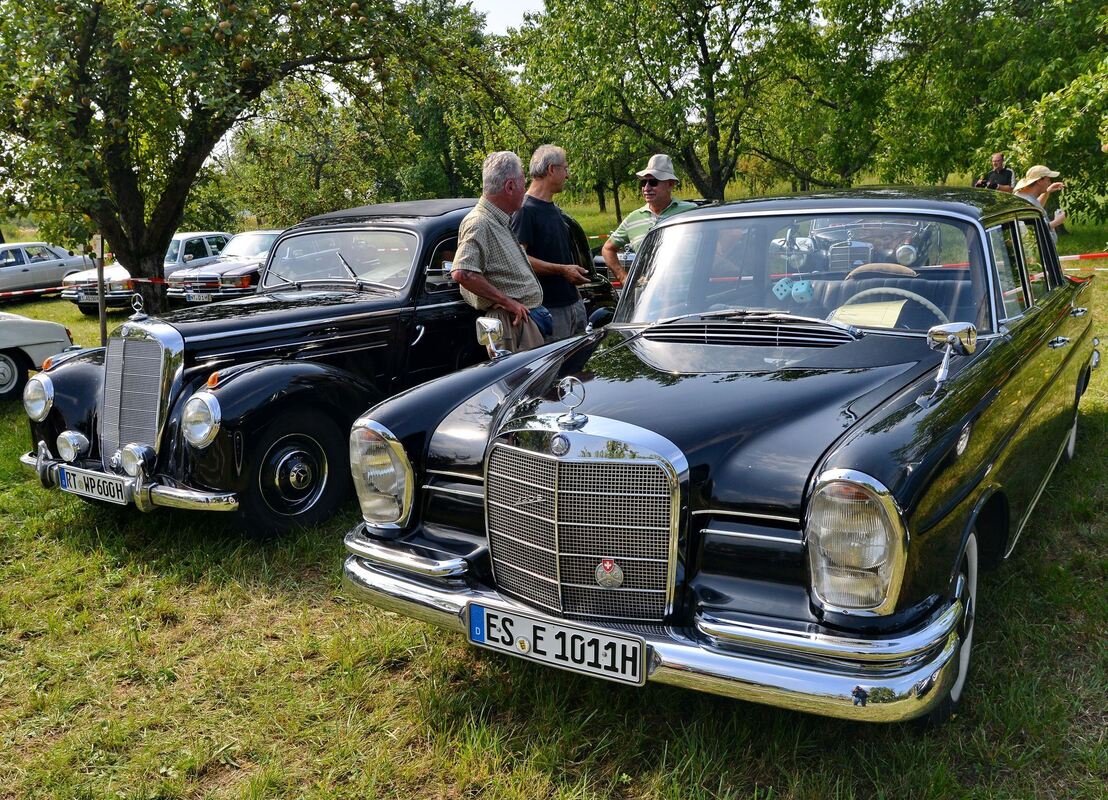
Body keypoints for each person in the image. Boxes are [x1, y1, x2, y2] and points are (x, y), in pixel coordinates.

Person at [451, 151, 547, 355]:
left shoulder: (498, 219)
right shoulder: (479, 222)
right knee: (520, 383)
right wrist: (507, 301)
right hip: (509, 321)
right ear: (510, 186)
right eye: (523, 183)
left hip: (519, 319)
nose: (525, 189)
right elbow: (463, 273)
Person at [511, 145, 589, 341]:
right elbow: (518, 259)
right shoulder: (525, 210)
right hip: (550, 311)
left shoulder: (553, 208)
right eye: (566, 168)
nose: (568, 175)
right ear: (552, 169)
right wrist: (562, 270)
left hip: (572, 305)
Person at [601, 154, 697, 282]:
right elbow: (608, 249)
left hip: (687, 292)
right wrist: (624, 278)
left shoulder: (691, 211)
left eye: (653, 182)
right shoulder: (633, 218)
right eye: (643, 182)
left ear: (670, 184)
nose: (646, 188)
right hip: (648, 297)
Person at [1014, 165, 1066, 238]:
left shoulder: (1025, 197)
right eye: (1048, 180)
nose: (1049, 183)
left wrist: (1047, 191)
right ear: (1039, 181)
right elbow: (1034, 230)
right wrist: (1057, 222)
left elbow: (1036, 209)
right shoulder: (1026, 202)